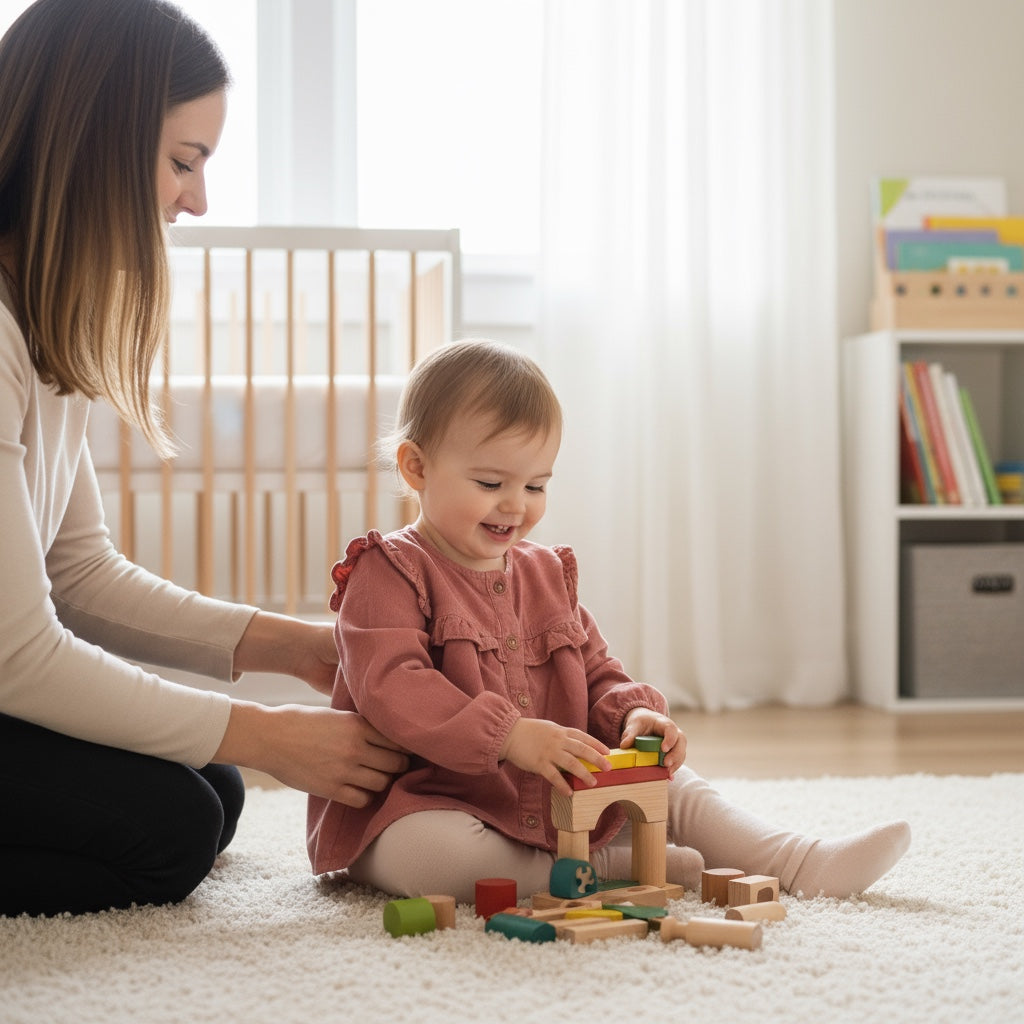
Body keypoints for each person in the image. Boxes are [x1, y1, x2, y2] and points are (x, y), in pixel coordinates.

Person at [0, 0, 407, 918]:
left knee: (213, 790)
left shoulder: (43, 316)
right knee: (170, 832)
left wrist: (298, 649)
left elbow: (77, 573)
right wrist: (271, 733)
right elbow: (18, 655)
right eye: (183, 162)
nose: (197, 200)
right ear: (91, 145)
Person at [307, 339, 911, 905]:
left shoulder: (546, 572)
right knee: (424, 856)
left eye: (537, 484)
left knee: (675, 785)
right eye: (491, 483)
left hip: (550, 794)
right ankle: (606, 871)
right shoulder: (388, 571)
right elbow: (394, 687)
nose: (516, 504)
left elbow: (596, 670)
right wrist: (509, 736)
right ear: (416, 467)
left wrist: (632, 715)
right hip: (424, 802)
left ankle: (801, 861)